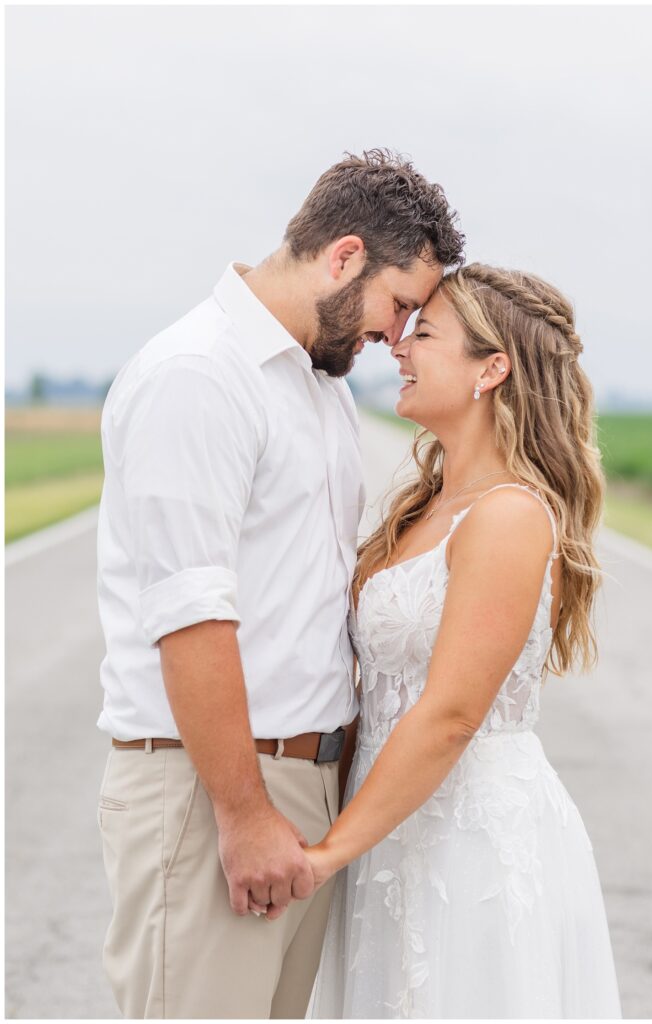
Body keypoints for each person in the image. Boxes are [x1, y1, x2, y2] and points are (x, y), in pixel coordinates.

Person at [95, 148, 465, 1019]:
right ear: (343, 258)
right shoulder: (199, 376)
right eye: (399, 304)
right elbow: (190, 614)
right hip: (213, 786)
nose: (398, 334)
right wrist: (243, 811)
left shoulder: (318, 386)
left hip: (301, 786)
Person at [305, 264, 623, 1018]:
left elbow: (451, 715)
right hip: (385, 824)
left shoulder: (509, 515)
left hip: (469, 839)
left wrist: (325, 855)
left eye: (425, 333)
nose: (400, 349)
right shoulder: (422, 509)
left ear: (493, 369)